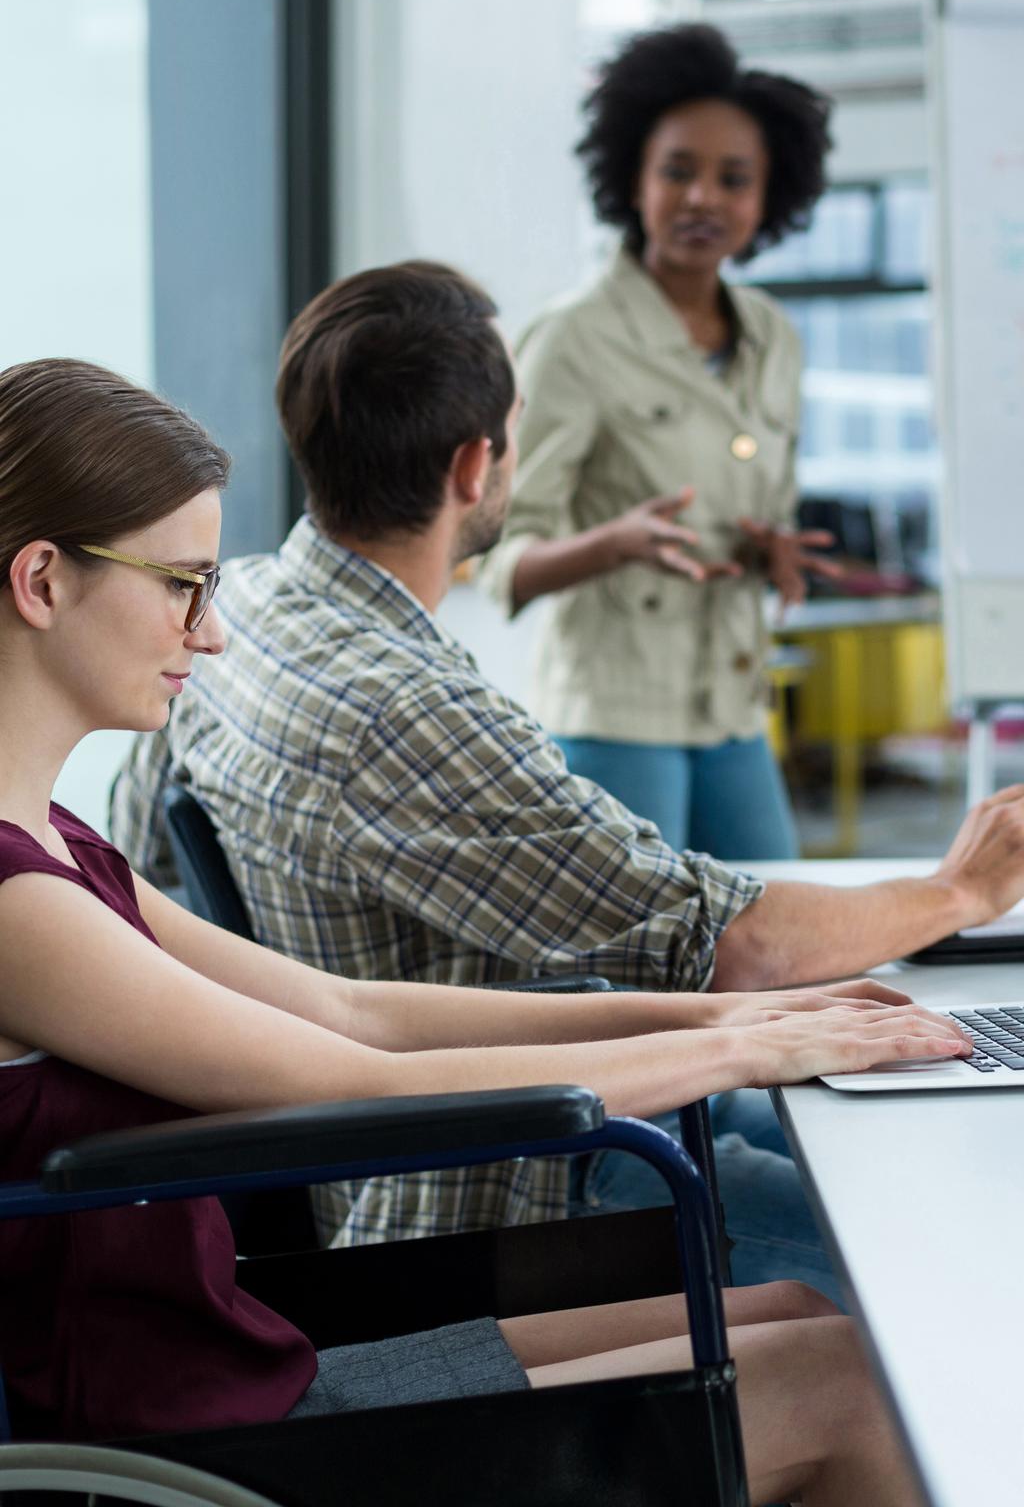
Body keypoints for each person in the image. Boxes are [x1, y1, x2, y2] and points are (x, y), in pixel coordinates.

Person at [0, 356, 949, 1505]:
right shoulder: (18, 906)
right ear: (43, 580)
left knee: (802, 1315)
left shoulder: (56, 843)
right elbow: (349, 1083)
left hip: (244, 1366)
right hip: (175, 1446)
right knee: (852, 1386)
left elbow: (352, 1009)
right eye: (182, 586)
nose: (209, 637)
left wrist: (725, 1010)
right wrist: (748, 1052)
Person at [112, 262, 1024, 1303]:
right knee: (939, 1240)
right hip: (508, 1172)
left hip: (483, 1094)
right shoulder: (404, 709)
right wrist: (960, 891)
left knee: (867, 1097)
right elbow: (733, 947)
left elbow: (139, 846)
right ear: (474, 466)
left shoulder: (248, 614)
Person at [482, 22, 841, 859]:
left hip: (733, 706)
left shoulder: (775, 337)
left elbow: (756, 504)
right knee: (649, 976)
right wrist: (614, 544)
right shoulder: (573, 338)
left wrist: (772, 554)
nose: (702, 199)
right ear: (633, 180)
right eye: (677, 171)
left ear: (769, 196)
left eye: (733, 179)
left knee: (783, 945)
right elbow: (502, 555)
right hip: (614, 713)